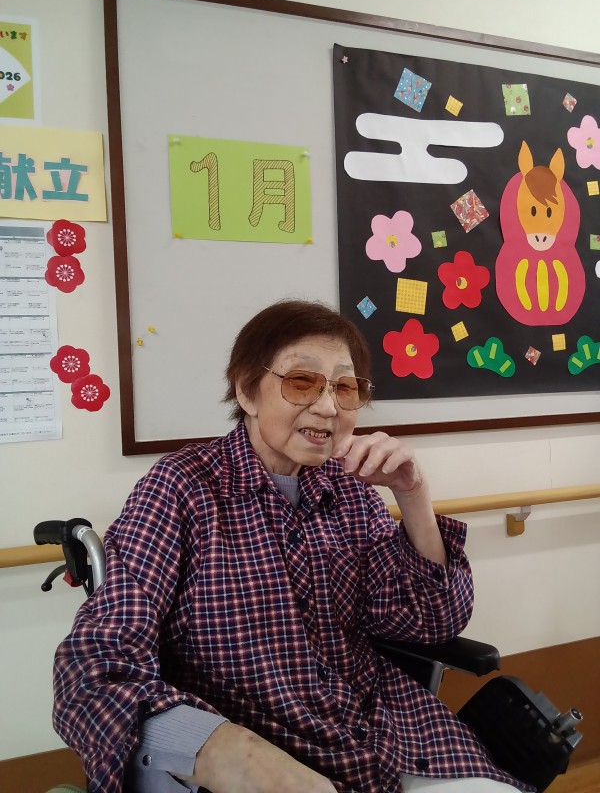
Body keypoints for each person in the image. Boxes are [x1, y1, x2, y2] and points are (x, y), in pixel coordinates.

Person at [53, 300, 528, 793]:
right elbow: (95, 666)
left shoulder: (351, 490)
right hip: (264, 744)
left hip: (388, 734)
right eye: (302, 381)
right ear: (247, 390)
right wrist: (231, 751)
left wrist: (413, 495)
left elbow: (432, 622)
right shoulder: (181, 488)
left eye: (345, 388)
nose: (328, 407)